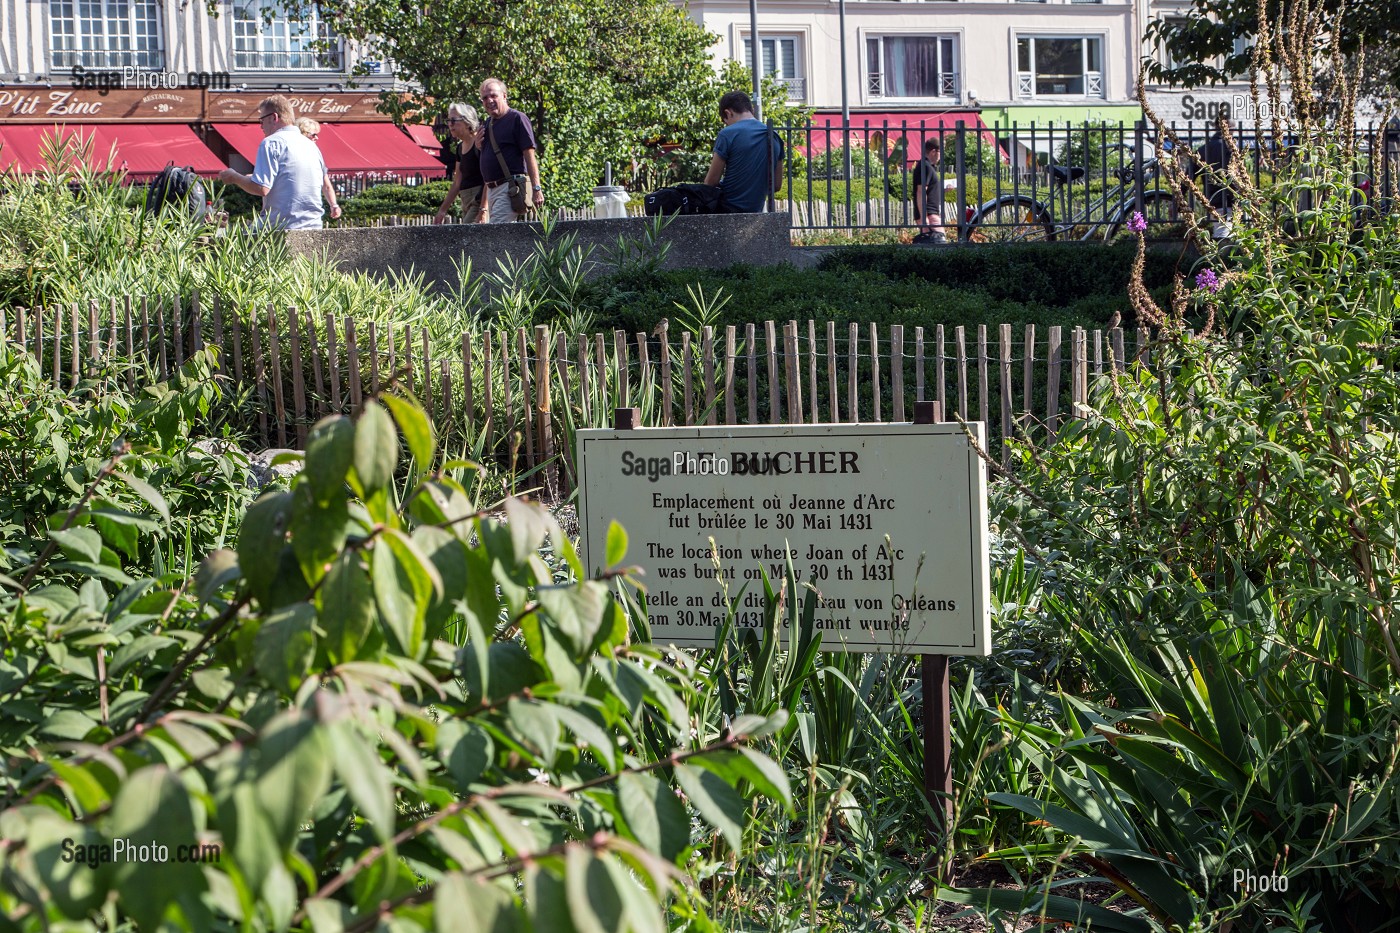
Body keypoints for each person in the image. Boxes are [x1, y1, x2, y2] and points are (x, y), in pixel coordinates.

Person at [218, 95, 339, 229]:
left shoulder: (271, 142)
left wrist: (234, 177)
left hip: (281, 226)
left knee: (230, 240)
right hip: (314, 225)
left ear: (274, 117)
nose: (261, 126)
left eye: (261, 120)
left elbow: (261, 188)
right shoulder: (312, 146)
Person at [475, 78, 545, 223]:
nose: (489, 100)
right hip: (492, 190)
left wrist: (536, 188)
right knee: (501, 236)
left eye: (494, 95)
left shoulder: (517, 118)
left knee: (497, 235)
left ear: (504, 96)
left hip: (509, 188)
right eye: (485, 98)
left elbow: (529, 155)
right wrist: (477, 145)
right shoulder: (488, 123)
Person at [703, 90, 783, 213]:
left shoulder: (727, 134)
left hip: (726, 211)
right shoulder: (774, 136)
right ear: (752, 111)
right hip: (756, 212)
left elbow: (710, 182)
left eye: (725, 122)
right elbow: (776, 185)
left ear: (727, 113)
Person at [434, 102, 488, 225]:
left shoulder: (480, 143)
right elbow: (457, 182)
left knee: (467, 238)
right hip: (465, 200)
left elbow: (488, 179)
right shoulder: (459, 148)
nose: (449, 125)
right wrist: (442, 211)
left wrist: (483, 209)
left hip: (479, 200)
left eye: (453, 120)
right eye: (448, 121)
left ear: (467, 121)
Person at [1195, 110, 1237, 240]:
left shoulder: (1202, 149)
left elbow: (1188, 177)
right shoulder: (1230, 149)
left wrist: (1177, 202)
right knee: (1226, 238)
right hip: (1230, 199)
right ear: (1228, 129)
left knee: (1222, 233)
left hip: (1212, 199)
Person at [295, 117, 341, 225]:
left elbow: (326, 185)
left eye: (317, 134)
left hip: (309, 212)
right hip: (306, 213)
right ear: (303, 133)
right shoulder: (313, 154)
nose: (316, 138)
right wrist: (334, 205)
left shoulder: (316, 154)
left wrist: (334, 205)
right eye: (313, 134)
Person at [911, 136, 948, 243]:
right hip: (930, 214)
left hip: (930, 213)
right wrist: (924, 219)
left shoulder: (927, 166)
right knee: (940, 244)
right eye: (941, 152)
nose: (941, 156)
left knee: (937, 245)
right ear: (933, 151)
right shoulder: (925, 167)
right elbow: (921, 192)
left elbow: (928, 190)